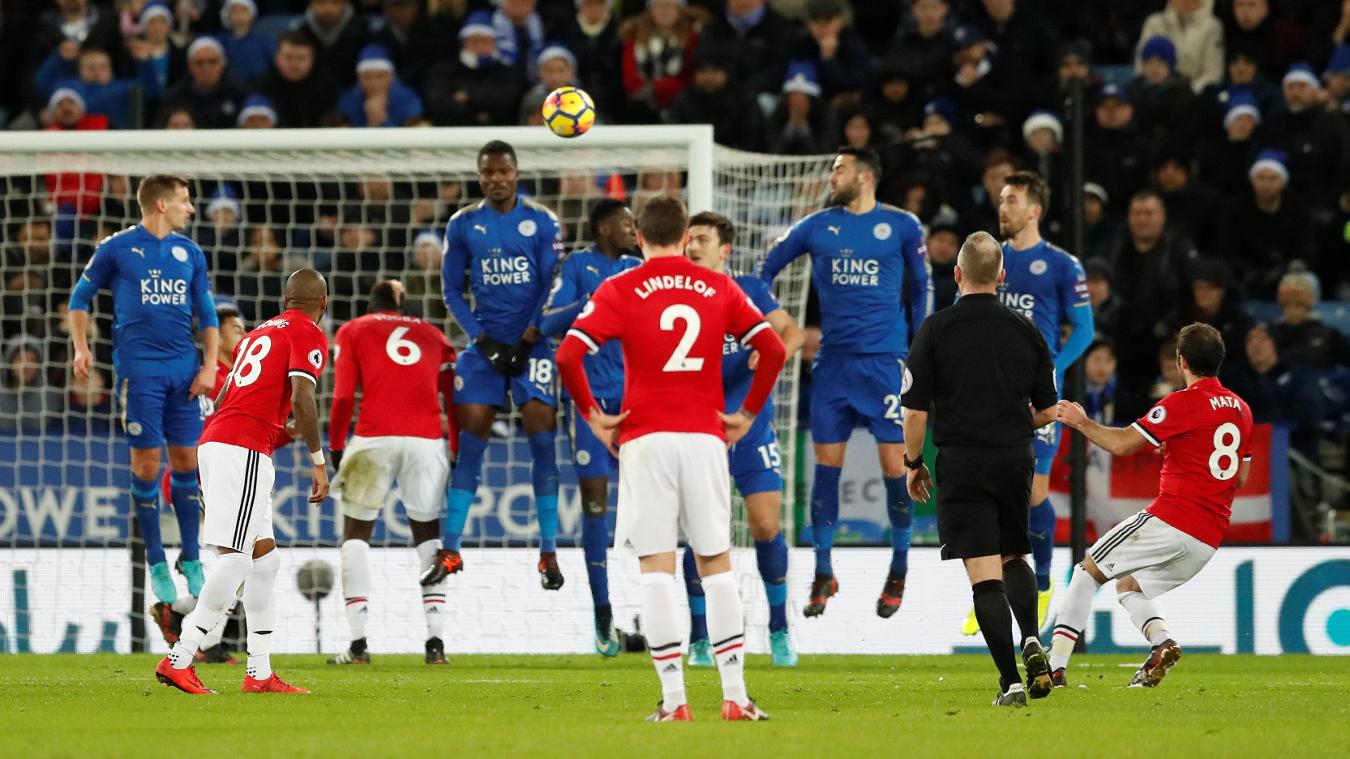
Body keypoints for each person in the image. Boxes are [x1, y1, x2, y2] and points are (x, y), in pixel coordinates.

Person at [555, 196, 787, 722]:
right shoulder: (719, 286)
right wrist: (747, 413)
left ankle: (676, 702)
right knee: (716, 566)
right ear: (685, 238)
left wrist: (594, 416)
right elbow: (773, 348)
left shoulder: (619, 287)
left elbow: (569, 354)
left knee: (656, 569)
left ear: (639, 237)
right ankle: (735, 697)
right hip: (705, 436)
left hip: (645, 439)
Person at [760, 146, 932, 619]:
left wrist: (921, 349)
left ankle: (899, 566)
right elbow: (765, 269)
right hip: (833, 365)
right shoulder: (816, 226)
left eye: (839, 169)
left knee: (896, 470)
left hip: (884, 364)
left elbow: (923, 287)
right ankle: (822, 570)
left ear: (866, 176)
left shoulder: (901, 225)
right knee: (825, 470)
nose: (831, 177)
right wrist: (774, 322)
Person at [901, 231, 1059, 707]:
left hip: (963, 459)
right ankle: (1032, 637)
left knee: (984, 573)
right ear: (1002, 276)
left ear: (957, 274)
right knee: (1015, 555)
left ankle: (1011, 682)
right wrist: (1011, 422)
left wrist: (914, 463)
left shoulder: (935, 329)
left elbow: (914, 411)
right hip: (1015, 456)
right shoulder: (1026, 329)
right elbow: (1047, 410)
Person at [156, 269, 331, 695]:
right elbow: (303, 396)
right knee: (236, 560)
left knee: (265, 560)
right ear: (322, 304)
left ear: (285, 300)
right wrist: (318, 460)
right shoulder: (308, 332)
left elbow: (222, 397)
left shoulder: (257, 334)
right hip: (243, 448)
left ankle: (259, 672)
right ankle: (180, 657)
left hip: (221, 441)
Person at [1052, 323, 1253, 688]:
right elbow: (1239, 477)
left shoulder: (1181, 403)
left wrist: (1081, 423)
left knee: (1086, 571)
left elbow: (1122, 444)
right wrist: (1183, 449)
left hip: (1173, 518)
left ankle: (1055, 668)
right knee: (1130, 586)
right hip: (1207, 538)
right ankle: (1161, 643)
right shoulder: (1242, 410)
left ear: (1182, 361)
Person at [68, 175, 220, 606]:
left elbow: (207, 314)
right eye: (184, 201)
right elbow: (79, 300)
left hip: (185, 375)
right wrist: (81, 347)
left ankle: (191, 558)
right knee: (148, 465)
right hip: (140, 376)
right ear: (160, 204)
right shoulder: (116, 248)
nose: (190, 209)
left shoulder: (189, 252)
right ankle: (156, 560)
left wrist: (209, 365)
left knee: (188, 461)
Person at [424, 140, 564, 589]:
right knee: (471, 444)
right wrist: (481, 339)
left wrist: (530, 337)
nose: (496, 179)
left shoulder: (542, 220)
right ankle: (451, 550)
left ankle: (548, 553)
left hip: (533, 346)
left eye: (503, 171)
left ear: (516, 172)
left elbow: (553, 286)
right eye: (488, 172)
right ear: (480, 175)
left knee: (543, 439)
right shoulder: (463, 223)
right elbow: (450, 290)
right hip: (484, 348)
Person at [960, 170, 1092, 637]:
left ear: (1035, 209)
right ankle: (990, 588)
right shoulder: (988, 260)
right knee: (990, 490)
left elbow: (1085, 329)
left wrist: (1053, 366)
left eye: (1012, 200)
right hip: (991, 390)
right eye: (1001, 199)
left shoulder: (1061, 264)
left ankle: (1043, 581)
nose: (1003, 208)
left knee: (1032, 492)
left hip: (1036, 394)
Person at [682, 211, 804, 668]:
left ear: (725, 249)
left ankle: (779, 630)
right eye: (690, 239)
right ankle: (699, 639)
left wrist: (771, 356)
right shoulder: (680, 294)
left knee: (766, 526)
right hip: (700, 427)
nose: (694, 246)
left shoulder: (748, 289)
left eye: (703, 239)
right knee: (700, 532)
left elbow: (791, 334)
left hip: (751, 425)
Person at [327, 280, 457, 667]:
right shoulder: (434, 334)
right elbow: (453, 399)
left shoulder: (353, 330)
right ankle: (436, 644)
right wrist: (456, 446)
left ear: (371, 303)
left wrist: (336, 445)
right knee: (428, 537)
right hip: (427, 442)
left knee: (355, 535)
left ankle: (358, 644)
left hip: (374, 438)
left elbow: (343, 396)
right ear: (402, 302)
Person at [539, 199, 641, 656]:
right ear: (603, 228)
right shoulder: (578, 266)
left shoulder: (639, 268)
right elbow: (549, 322)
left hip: (638, 399)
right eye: (625, 223)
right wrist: (595, 301)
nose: (633, 230)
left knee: (656, 501)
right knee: (595, 502)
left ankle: (663, 612)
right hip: (590, 402)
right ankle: (603, 614)